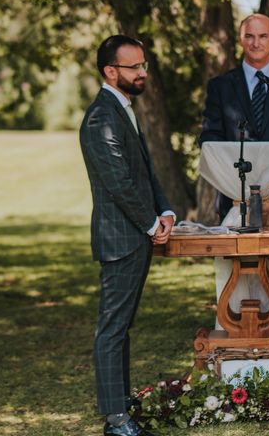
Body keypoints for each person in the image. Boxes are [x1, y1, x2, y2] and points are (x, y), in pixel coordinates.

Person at [80, 35, 175, 436]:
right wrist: (152, 225)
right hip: (121, 240)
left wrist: (166, 210)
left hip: (134, 235)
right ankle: (116, 421)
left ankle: (121, 406)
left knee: (121, 327)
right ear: (110, 71)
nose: (142, 73)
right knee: (112, 328)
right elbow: (119, 183)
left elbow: (144, 171)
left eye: (143, 65)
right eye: (134, 67)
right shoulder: (102, 117)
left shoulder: (123, 109)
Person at [198, 13, 269, 334]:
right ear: (240, 40)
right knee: (235, 278)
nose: (256, 43)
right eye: (249, 36)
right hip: (235, 203)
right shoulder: (220, 87)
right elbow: (209, 138)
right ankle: (235, 343)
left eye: (263, 36)